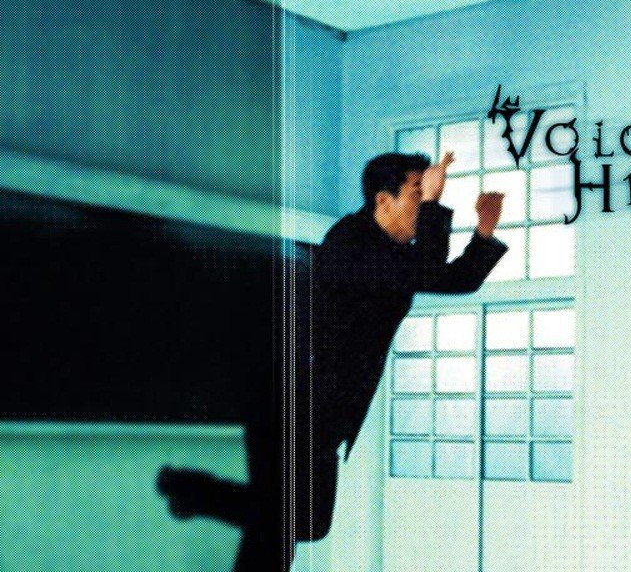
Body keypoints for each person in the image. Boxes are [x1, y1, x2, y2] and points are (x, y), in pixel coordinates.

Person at [157, 151, 506, 570]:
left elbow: (451, 278)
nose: (428, 198)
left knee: (288, 525)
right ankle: (193, 490)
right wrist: (435, 204)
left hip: (321, 413)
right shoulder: (352, 244)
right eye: (418, 191)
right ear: (383, 200)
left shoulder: (389, 256)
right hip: (287, 402)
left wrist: (484, 229)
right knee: (291, 525)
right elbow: (429, 269)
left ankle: (192, 492)